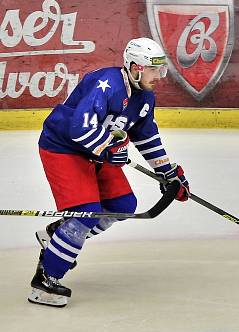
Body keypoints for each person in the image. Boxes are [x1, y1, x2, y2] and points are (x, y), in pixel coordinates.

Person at [29, 37, 190, 307]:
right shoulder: (106, 83)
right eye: (154, 70)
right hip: (64, 149)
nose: (159, 77)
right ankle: (45, 280)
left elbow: (146, 136)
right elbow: (79, 128)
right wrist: (108, 149)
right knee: (86, 216)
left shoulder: (145, 97)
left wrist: (168, 173)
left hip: (98, 152)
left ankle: (60, 237)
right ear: (136, 68)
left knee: (122, 205)